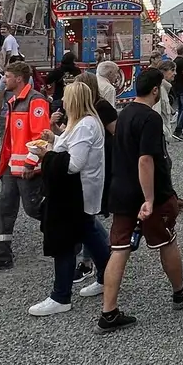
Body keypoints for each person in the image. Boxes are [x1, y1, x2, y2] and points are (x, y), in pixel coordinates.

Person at [99, 68, 183, 332]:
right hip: (150, 194)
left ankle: (108, 310)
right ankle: (180, 290)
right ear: (156, 89)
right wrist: (149, 198)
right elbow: (146, 159)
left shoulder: (123, 115)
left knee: (119, 248)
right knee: (166, 240)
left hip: (121, 190)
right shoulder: (150, 118)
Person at [30, 80, 113, 316]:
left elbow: (74, 163)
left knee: (65, 240)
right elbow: (70, 148)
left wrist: (47, 155)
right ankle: (107, 276)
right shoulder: (81, 122)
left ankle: (61, 295)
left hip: (76, 192)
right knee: (89, 232)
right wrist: (54, 139)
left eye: (65, 97)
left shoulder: (85, 124)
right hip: (77, 192)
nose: (62, 102)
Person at [0, 61, 49, 273]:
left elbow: (40, 136)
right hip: (12, 167)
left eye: (7, 76)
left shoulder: (35, 101)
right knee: (5, 208)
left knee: (34, 208)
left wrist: (30, 162)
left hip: (26, 168)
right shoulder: (15, 100)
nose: (4, 80)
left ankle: (69, 236)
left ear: (18, 79)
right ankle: (2, 254)